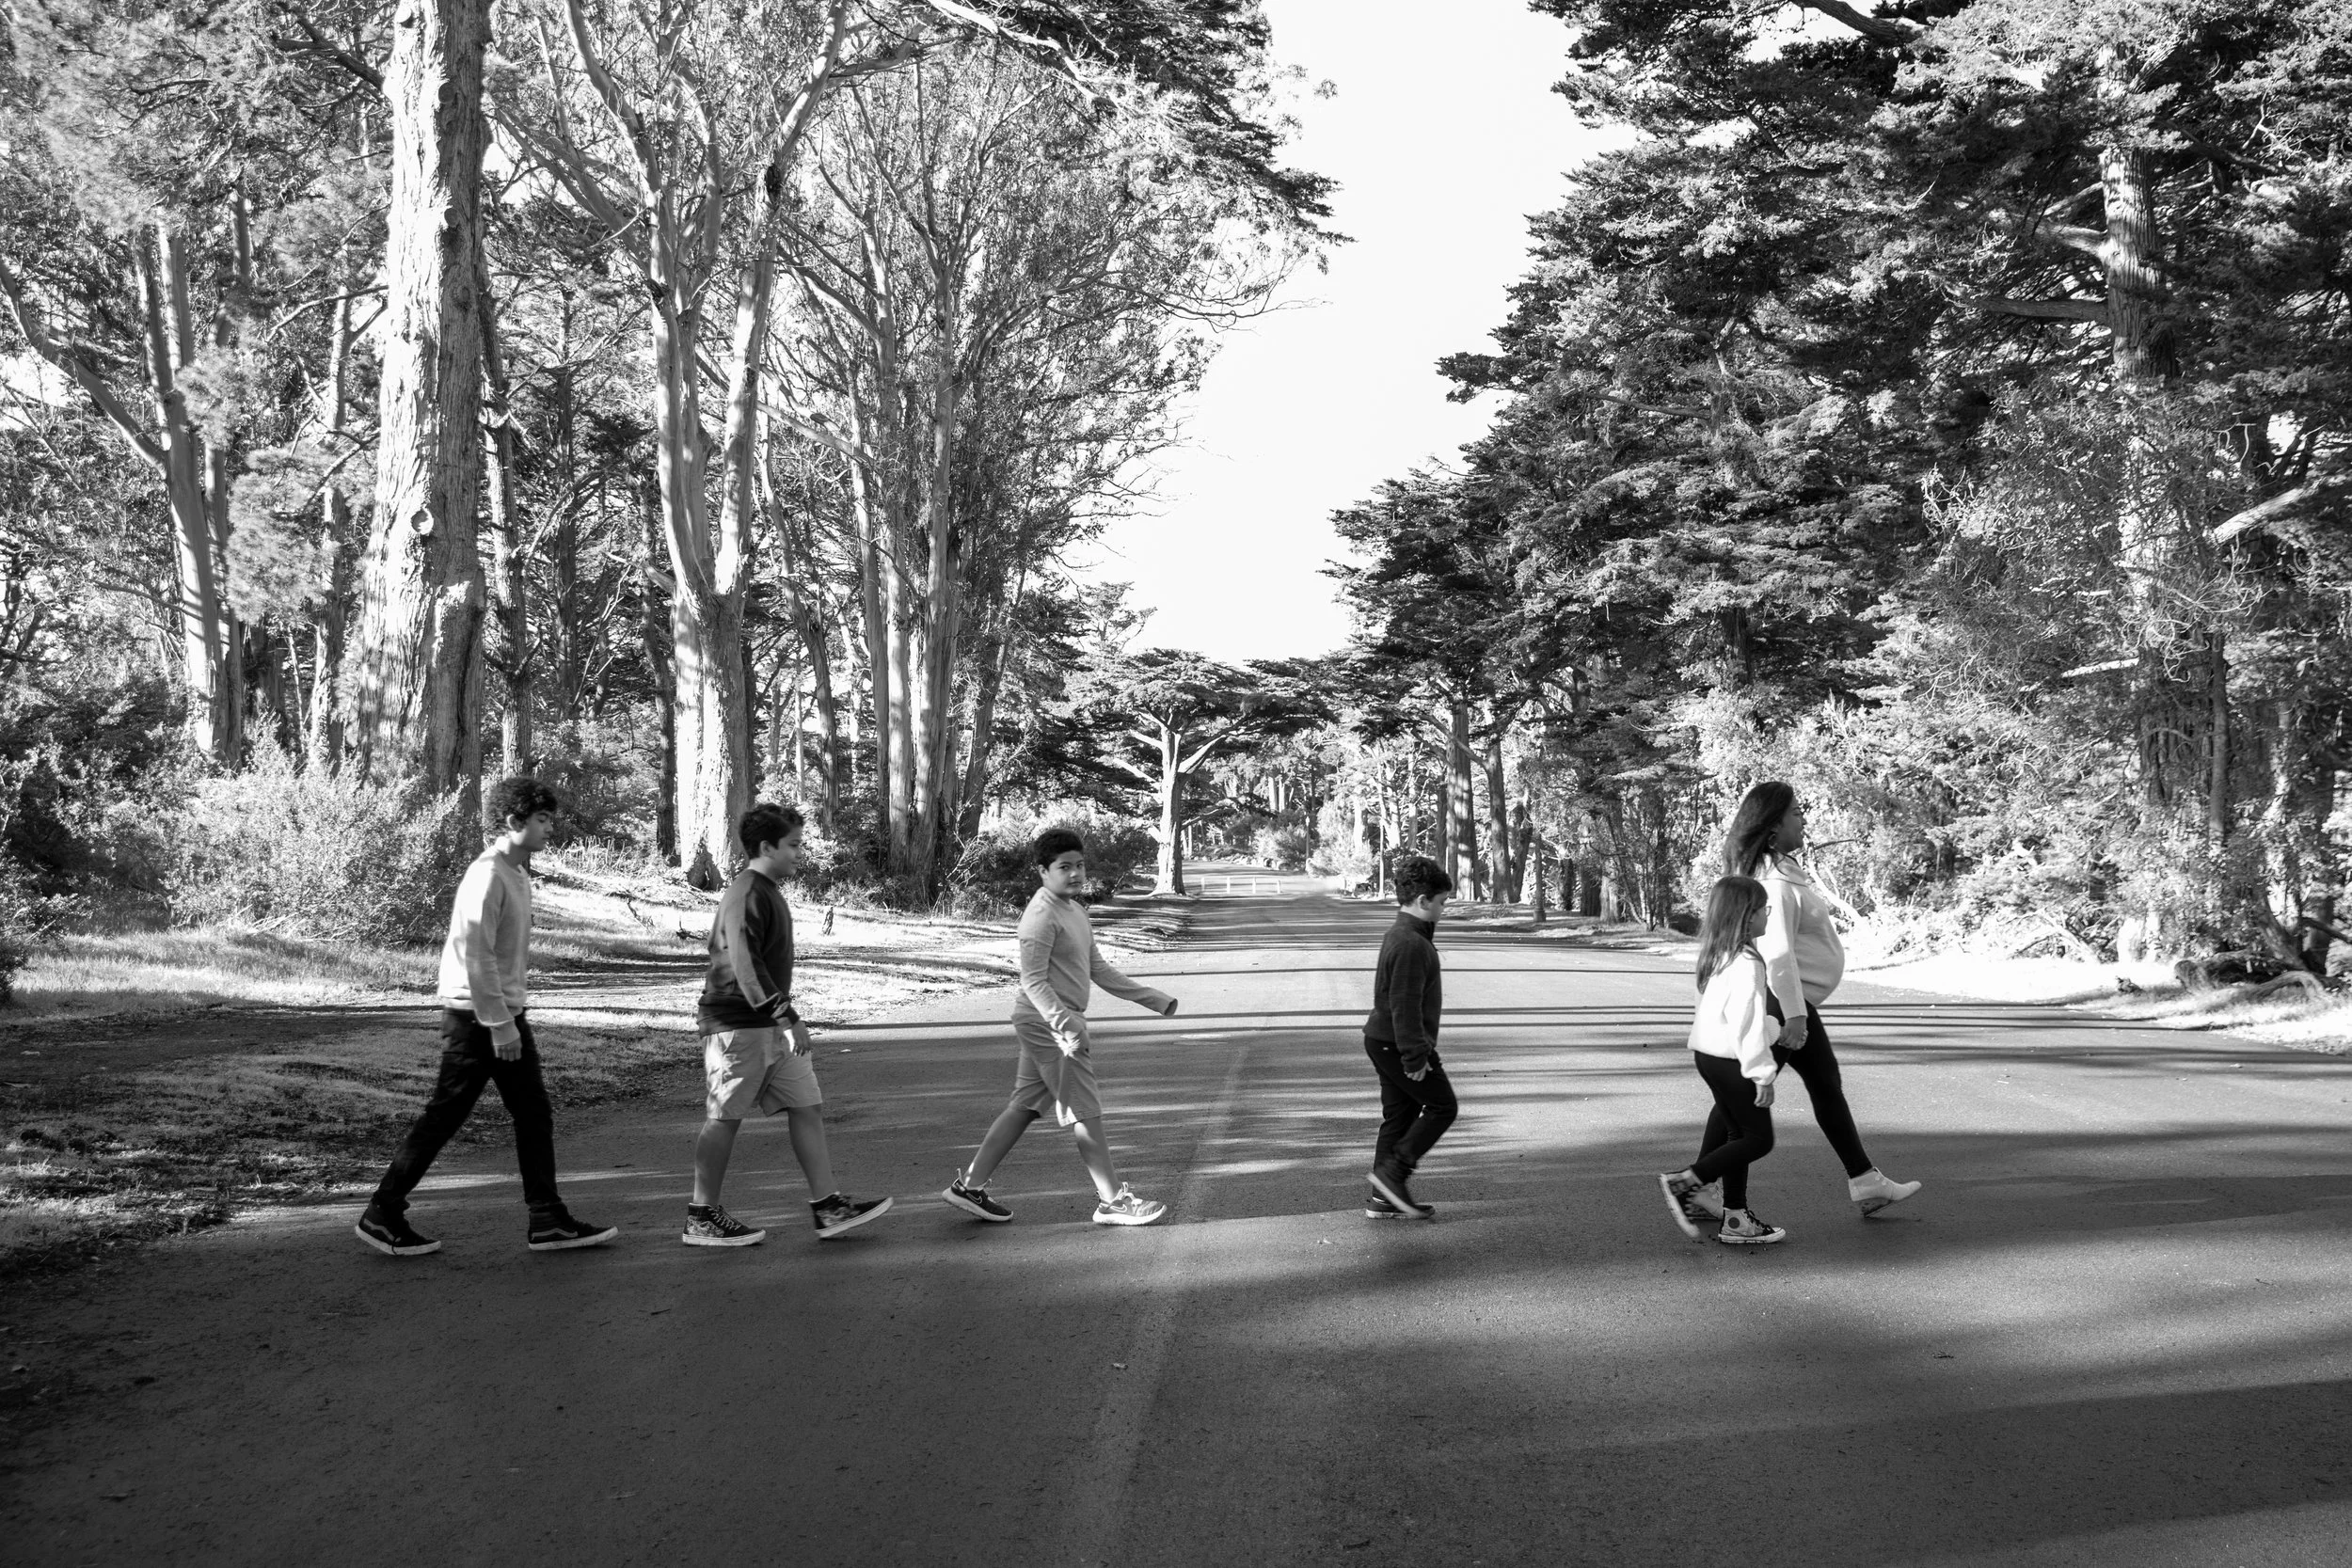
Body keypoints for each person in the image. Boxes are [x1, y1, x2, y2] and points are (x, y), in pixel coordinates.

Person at [356, 777, 617, 1258]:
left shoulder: (517, 873)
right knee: (445, 1116)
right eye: (541, 820)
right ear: (514, 822)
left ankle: (546, 1218)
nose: (549, 829)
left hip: (501, 1014)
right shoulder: (488, 875)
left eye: (550, 819)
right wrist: (499, 1023)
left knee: (532, 1114)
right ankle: (382, 1211)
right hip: (476, 1018)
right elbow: (475, 955)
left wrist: (507, 1016)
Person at [941, 828, 1180, 1227]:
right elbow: (1032, 981)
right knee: (1085, 1110)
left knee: (1025, 1106)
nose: (1075, 874)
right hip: (1047, 1023)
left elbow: (1097, 968)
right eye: (1064, 867)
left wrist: (1150, 998)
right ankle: (1112, 1202)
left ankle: (969, 1186)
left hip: (1049, 1021)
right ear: (1042, 871)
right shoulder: (1040, 917)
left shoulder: (1074, 909)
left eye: (1080, 865)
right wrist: (1067, 1026)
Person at [686, 802, 893, 1246]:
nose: (799, 853)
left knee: (807, 1105)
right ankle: (702, 1215)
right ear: (766, 847)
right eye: (793, 845)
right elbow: (744, 963)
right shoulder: (747, 891)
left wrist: (780, 1019)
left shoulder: (767, 889)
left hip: (769, 1026)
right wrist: (786, 1015)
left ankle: (829, 1208)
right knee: (725, 1116)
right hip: (738, 1025)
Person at [1724, 782, 1920, 1216]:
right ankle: (1697, 1183)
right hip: (1784, 1003)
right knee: (1743, 1097)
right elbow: (1778, 956)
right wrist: (1794, 1016)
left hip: (1795, 1002)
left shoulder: (1788, 873)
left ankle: (1866, 1181)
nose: (1804, 819)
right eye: (1796, 813)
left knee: (1824, 1087)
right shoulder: (1774, 884)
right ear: (1773, 828)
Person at [1661, 876, 1785, 1244]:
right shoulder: (1748, 962)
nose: (1768, 915)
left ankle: (1736, 1219)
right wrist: (1762, 1072)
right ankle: (1686, 1182)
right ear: (1747, 916)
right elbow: (1745, 1025)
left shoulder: (1718, 954)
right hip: (1731, 1059)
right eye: (1765, 909)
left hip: (1708, 1055)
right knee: (1758, 1140)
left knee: (1737, 1134)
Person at [1361, 855, 1456, 1221]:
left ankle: (1384, 1199)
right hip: (1396, 1042)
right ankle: (1393, 1174)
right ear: (1422, 901)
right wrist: (1415, 1058)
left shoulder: (1405, 935)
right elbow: (1403, 1003)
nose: (1443, 909)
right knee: (1442, 1107)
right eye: (1442, 902)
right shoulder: (1410, 944)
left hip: (1385, 1040)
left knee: (1399, 1117)